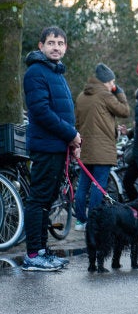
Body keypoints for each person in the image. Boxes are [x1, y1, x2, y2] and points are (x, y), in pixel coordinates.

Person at [22, 26, 81, 271]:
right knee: (38, 200)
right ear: (41, 46)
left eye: (60, 43)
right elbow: (42, 112)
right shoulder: (36, 72)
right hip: (46, 147)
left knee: (47, 201)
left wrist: (73, 141)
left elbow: (64, 113)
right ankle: (33, 255)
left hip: (59, 146)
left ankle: (43, 251)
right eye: (51, 43)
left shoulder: (57, 73)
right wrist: (70, 134)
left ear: (65, 47)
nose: (56, 47)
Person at [74, 63, 130, 231]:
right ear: (106, 81)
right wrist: (119, 92)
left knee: (83, 184)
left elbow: (84, 122)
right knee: (99, 185)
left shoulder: (81, 96)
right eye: (112, 82)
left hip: (85, 147)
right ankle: (94, 222)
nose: (113, 85)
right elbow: (125, 111)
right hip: (103, 149)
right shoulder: (106, 95)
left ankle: (80, 221)